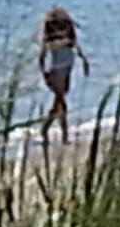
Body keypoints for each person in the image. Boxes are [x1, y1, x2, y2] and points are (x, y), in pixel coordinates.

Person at [36, 9, 87, 141]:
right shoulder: (49, 37)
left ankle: (46, 128)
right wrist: (44, 72)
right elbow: (42, 55)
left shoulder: (69, 34)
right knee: (61, 101)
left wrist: (84, 60)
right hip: (56, 70)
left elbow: (75, 45)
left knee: (58, 102)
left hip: (68, 68)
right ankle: (63, 134)